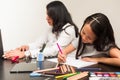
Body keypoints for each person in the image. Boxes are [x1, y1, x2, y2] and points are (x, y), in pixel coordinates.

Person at [3, 1, 79, 59]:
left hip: (68, 64)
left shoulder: (69, 30)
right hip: (56, 62)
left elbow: (54, 51)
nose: (46, 18)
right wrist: (26, 47)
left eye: (49, 15)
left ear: (57, 16)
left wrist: (26, 54)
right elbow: (38, 43)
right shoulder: (51, 28)